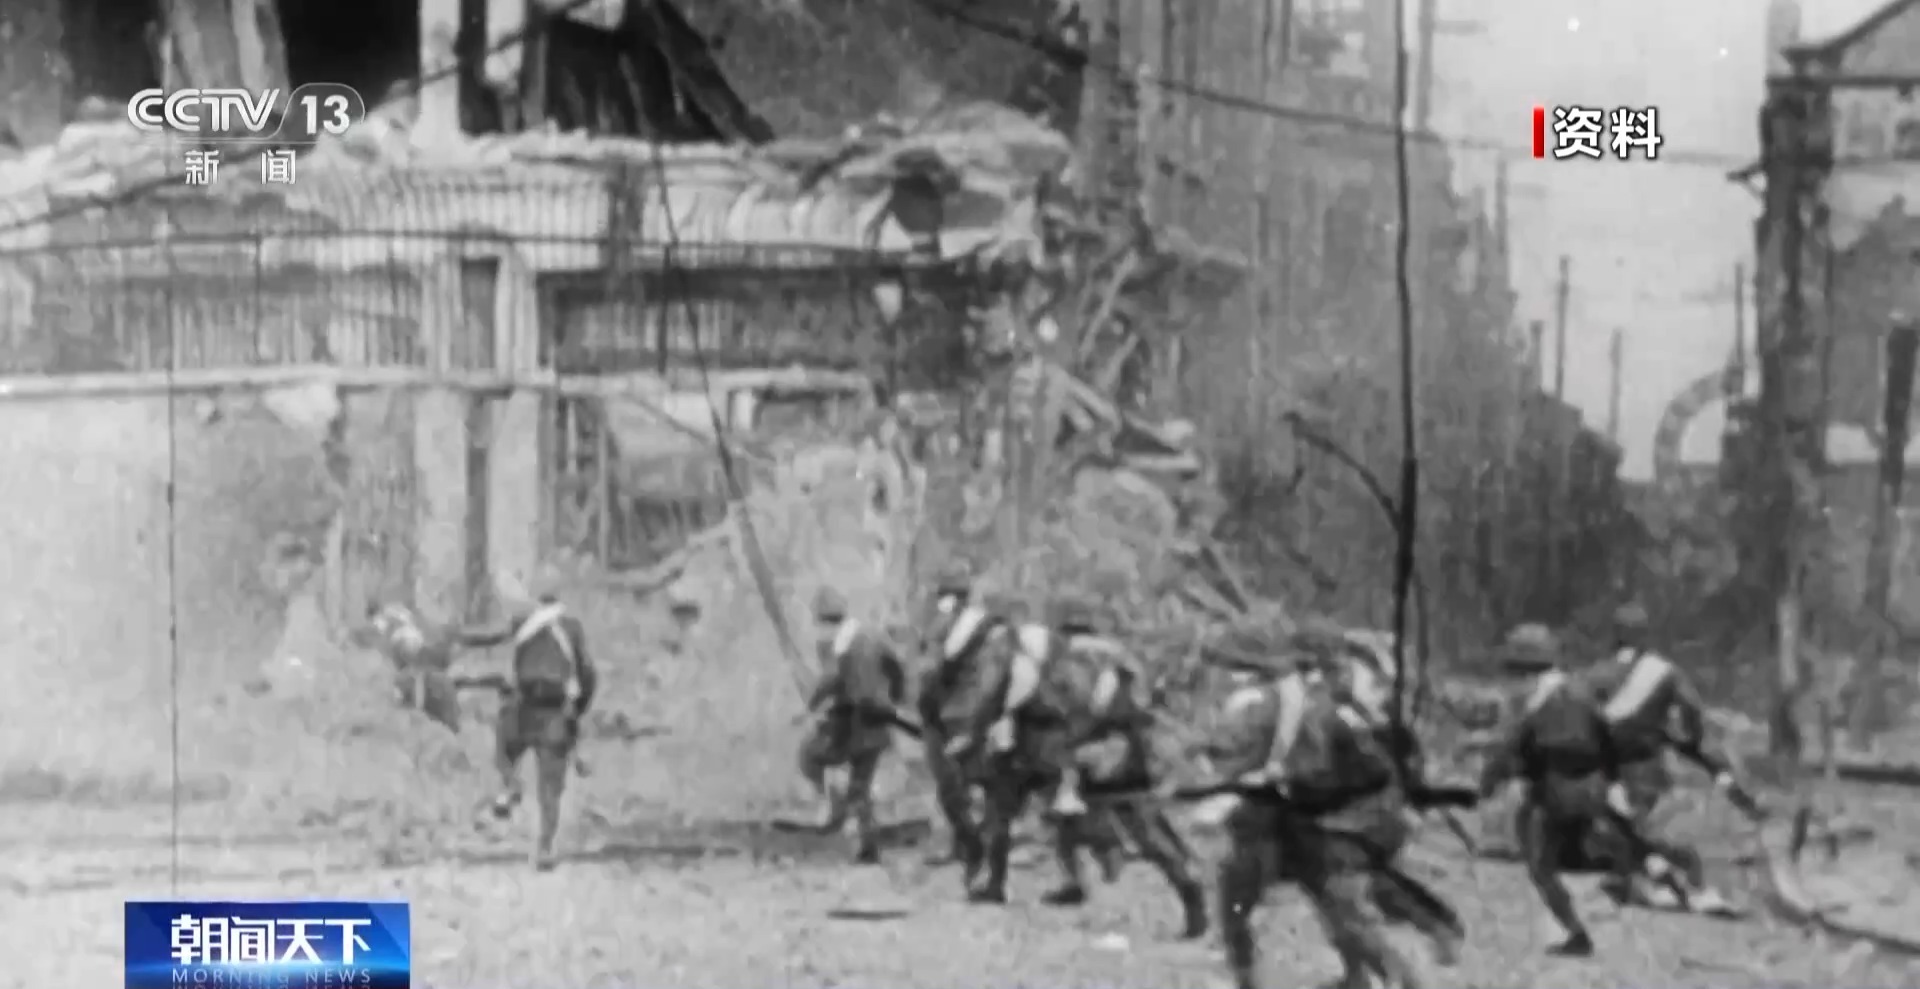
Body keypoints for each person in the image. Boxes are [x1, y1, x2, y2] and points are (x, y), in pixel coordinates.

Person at [1202, 632, 1465, 989]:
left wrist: (1287, 781)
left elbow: (1360, 771)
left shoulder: (1318, 711)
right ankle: (1366, 973)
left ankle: (1413, 968)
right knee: (1333, 904)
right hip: (1307, 824)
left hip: (1341, 825)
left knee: (1348, 908)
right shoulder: (1296, 706)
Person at [458, 573, 597, 872]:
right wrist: (579, 709)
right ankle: (545, 847)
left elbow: (488, 637)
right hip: (557, 712)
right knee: (550, 787)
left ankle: (511, 787)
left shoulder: (524, 621)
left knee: (504, 750)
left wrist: (455, 635)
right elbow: (587, 672)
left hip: (524, 707)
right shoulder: (571, 627)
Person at [796, 585, 908, 864]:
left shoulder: (840, 645)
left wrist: (810, 705)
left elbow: (831, 680)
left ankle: (834, 804)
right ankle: (866, 843)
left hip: (853, 723)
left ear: (823, 621)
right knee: (860, 784)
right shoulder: (875, 635)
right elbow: (896, 667)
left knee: (809, 756)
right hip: (878, 721)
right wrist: (894, 696)